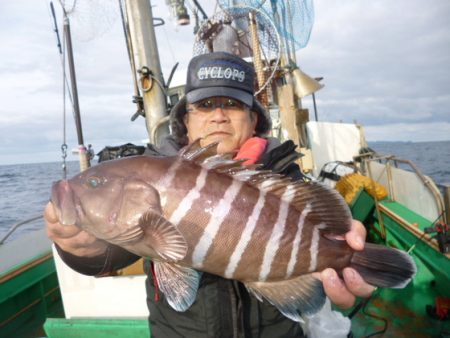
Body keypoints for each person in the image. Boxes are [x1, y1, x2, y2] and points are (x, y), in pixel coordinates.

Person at [45, 52, 374, 337]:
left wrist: (345, 251)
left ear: (253, 118)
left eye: (232, 104)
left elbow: (323, 225)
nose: (218, 115)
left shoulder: (284, 174)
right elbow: (111, 253)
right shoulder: (150, 170)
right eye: (204, 105)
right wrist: (79, 248)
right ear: (186, 121)